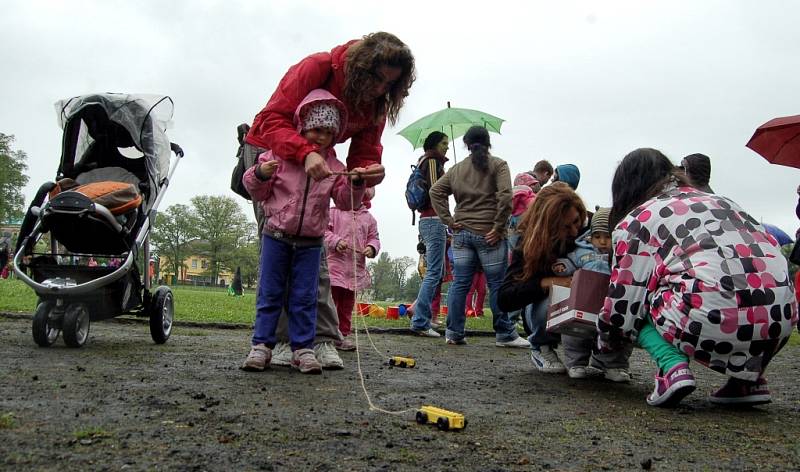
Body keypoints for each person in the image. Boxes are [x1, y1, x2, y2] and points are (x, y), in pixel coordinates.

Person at [245, 31, 414, 368]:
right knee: (280, 253)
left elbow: (365, 151)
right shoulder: (317, 67)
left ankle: (318, 340)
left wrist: (364, 176)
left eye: (390, 85)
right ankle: (279, 340)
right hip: (274, 157)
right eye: (377, 79)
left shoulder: (376, 103)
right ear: (361, 66)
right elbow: (270, 119)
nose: (381, 89)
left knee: (313, 250)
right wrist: (304, 152)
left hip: (321, 160)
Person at [599, 148, 797, 407]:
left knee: (638, 298)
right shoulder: (725, 202)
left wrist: (606, 341)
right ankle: (748, 381)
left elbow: (623, 299)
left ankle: (672, 368)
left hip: (711, 313)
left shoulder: (638, 220)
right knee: (752, 294)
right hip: (781, 317)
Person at [240, 89, 367, 374]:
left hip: (310, 243)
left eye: (327, 132)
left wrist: (356, 184)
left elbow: (345, 202)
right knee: (270, 293)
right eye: (315, 129)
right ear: (302, 126)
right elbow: (257, 192)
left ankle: (304, 349)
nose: (320, 137)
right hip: (276, 237)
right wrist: (260, 174)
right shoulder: (280, 157)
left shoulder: (334, 166)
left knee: (305, 296)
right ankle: (261, 345)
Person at [429, 126, 529, 348]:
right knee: (497, 284)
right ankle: (505, 334)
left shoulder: (456, 169)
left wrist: (448, 220)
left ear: (466, 144)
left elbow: (435, 191)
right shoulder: (499, 165)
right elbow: (505, 196)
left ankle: (454, 333)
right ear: (488, 143)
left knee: (460, 284)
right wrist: (499, 225)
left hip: (462, 234)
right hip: (490, 235)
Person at [498, 184, 587, 372]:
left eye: (576, 221)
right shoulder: (529, 245)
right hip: (546, 307)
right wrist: (546, 283)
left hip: (587, 303)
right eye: (565, 227)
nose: (573, 231)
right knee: (554, 296)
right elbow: (504, 299)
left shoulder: (593, 232)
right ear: (549, 227)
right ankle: (541, 346)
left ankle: (598, 355)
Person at [549, 207, 633, 381]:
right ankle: (576, 362)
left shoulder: (622, 253)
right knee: (576, 334)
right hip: (583, 300)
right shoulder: (582, 251)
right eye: (597, 236)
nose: (602, 241)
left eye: (607, 236)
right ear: (590, 236)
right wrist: (563, 267)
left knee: (615, 334)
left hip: (610, 302)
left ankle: (613, 364)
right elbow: (571, 261)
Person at [325, 188, 380, 351]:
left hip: (355, 272)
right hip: (334, 268)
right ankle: (327, 335)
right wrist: (335, 241)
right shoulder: (332, 212)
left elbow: (374, 238)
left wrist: (371, 247)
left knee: (347, 306)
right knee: (330, 304)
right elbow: (323, 231)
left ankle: (342, 335)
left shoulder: (369, 219)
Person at [410, 131, 450, 337]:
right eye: (444, 143)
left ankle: (422, 316)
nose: (447, 147)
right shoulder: (433, 162)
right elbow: (436, 191)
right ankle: (420, 321)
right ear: (434, 144)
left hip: (428, 220)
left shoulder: (423, 162)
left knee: (437, 272)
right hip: (434, 219)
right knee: (434, 272)